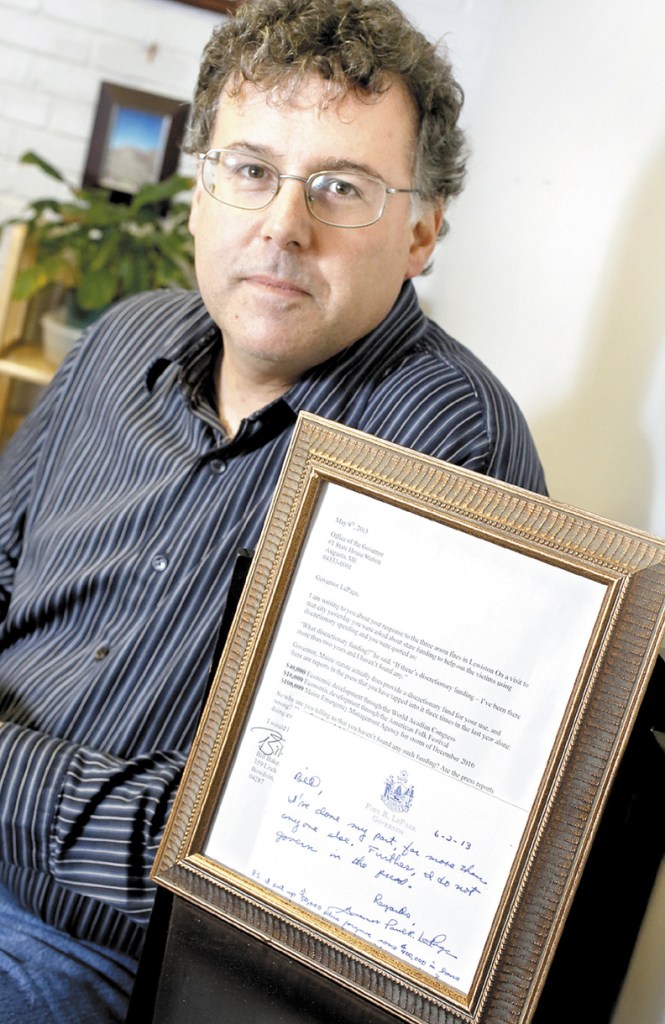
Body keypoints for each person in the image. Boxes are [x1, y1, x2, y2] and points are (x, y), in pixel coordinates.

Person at [0, 0, 546, 1020]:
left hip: (102, 956)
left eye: (339, 189)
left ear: (421, 229)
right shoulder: (124, 338)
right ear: (201, 189)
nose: (281, 226)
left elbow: (292, 847)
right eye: (250, 170)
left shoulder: (447, 452)